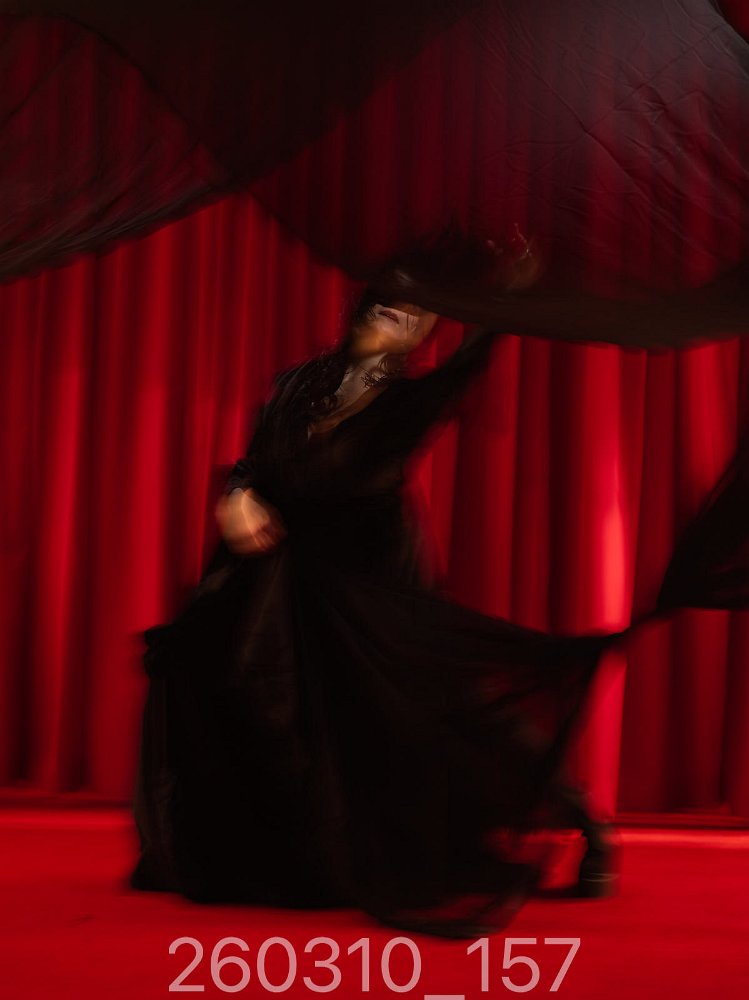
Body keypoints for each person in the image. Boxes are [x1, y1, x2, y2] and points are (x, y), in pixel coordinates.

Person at [130, 240, 630, 937]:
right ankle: (287, 856)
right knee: (224, 676)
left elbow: (476, 354)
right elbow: (253, 461)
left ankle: (588, 825)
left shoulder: (414, 399)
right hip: (283, 578)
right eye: (389, 302)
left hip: (373, 584)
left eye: (417, 313)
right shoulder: (299, 382)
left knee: (449, 714)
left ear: (428, 331)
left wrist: (507, 292)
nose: (399, 315)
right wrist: (236, 496)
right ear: (362, 306)